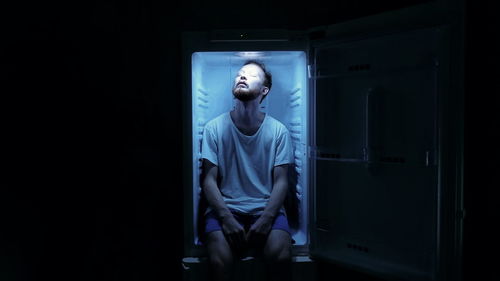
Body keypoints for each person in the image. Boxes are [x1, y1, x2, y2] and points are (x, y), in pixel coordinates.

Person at [200, 60, 294, 281]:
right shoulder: (214, 128)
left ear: (264, 90)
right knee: (218, 262)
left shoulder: (278, 131)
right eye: (240, 74)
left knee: (280, 257)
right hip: (226, 208)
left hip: (266, 208)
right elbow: (209, 180)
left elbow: (281, 182)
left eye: (251, 75)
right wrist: (226, 219)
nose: (241, 77)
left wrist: (266, 219)